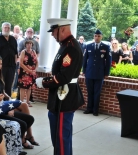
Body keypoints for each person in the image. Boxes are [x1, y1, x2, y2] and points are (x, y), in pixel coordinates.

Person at [35, 18, 84, 155]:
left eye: (54, 31)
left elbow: (64, 77)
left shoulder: (71, 48)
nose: (51, 34)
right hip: (60, 97)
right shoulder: (65, 45)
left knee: (61, 137)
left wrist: (44, 82)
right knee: (58, 136)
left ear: (62, 29)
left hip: (65, 98)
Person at [0, 54, 39, 150]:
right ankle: (21, 143)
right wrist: (6, 109)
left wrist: (10, 105)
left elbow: (3, 93)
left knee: (29, 118)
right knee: (23, 123)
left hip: (2, 106)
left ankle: (26, 137)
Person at [83, 29, 112, 116]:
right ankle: (89, 109)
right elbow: (84, 60)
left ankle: (95, 110)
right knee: (89, 92)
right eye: (95, 36)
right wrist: (84, 71)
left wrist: (106, 73)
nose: (97, 37)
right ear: (94, 36)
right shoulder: (88, 46)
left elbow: (108, 61)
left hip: (100, 73)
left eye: (99, 36)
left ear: (101, 37)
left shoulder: (105, 47)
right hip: (89, 72)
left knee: (97, 93)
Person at [0, 22, 18, 96]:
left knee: (9, 85)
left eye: (8, 28)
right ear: (2, 28)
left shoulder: (13, 39)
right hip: (0, 67)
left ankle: (8, 101)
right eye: (5, 27)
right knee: (0, 84)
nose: (7, 29)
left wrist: (15, 65)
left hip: (11, 66)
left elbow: (15, 53)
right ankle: (0, 100)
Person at [18, 40, 38, 107]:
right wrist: (29, 70)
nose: (29, 45)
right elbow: (21, 63)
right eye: (27, 44)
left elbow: (37, 62)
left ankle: (27, 101)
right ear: (25, 45)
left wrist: (35, 69)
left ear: (32, 45)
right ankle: (21, 102)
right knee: (23, 87)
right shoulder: (23, 52)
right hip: (24, 72)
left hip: (32, 72)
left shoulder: (34, 51)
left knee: (29, 87)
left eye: (30, 44)